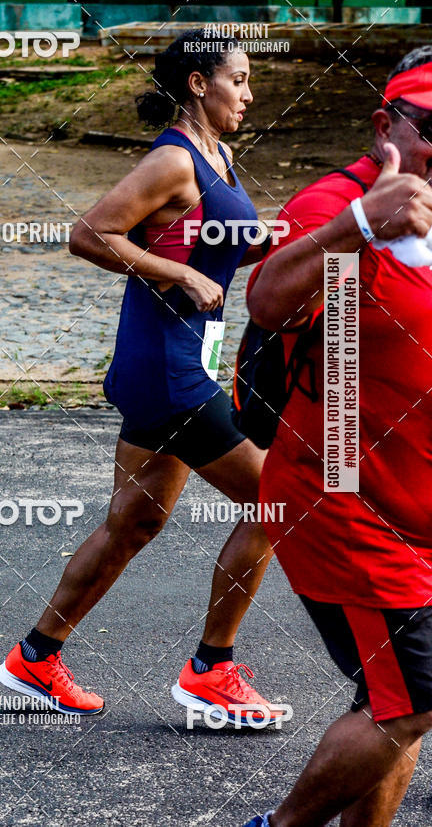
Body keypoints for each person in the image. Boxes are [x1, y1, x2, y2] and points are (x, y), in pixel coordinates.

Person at [0, 28, 282, 720]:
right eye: (237, 80)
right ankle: (212, 670)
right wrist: (177, 271)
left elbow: (210, 249)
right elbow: (91, 233)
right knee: (280, 502)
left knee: (132, 524)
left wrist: (267, 243)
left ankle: (34, 659)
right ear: (197, 84)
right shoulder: (174, 161)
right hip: (169, 372)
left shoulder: (221, 155)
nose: (247, 93)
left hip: (179, 364)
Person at [243, 46, 432, 827]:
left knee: (395, 703)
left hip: (414, 502)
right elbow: (268, 303)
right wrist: (360, 224)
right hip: (349, 503)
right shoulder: (338, 205)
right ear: (386, 126)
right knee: (410, 700)